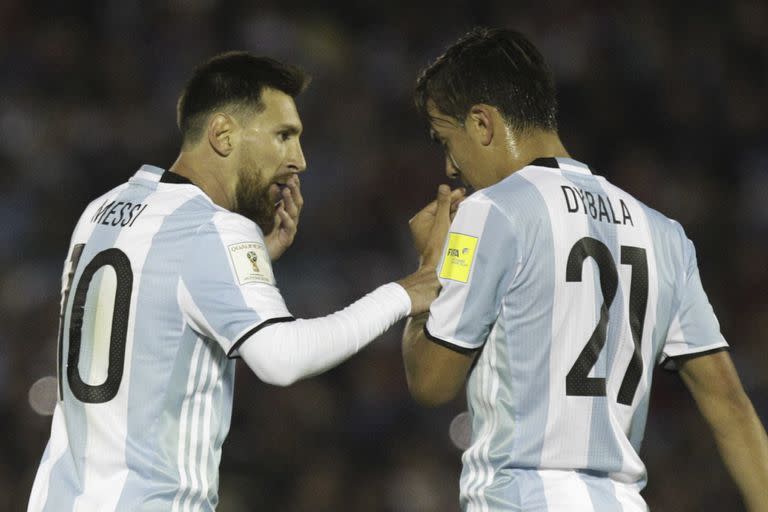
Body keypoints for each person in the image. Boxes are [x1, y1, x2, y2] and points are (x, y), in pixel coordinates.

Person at [28, 51, 462, 511]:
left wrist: (252, 268)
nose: (300, 160)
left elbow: (150, 324)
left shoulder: (100, 211)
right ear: (222, 134)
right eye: (283, 136)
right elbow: (282, 359)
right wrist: (405, 291)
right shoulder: (212, 230)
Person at [401, 27, 768, 511]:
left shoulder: (489, 212)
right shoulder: (663, 234)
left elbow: (430, 382)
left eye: (444, 139)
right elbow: (731, 407)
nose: (449, 166)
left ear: (482, 124)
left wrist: (430, 264)